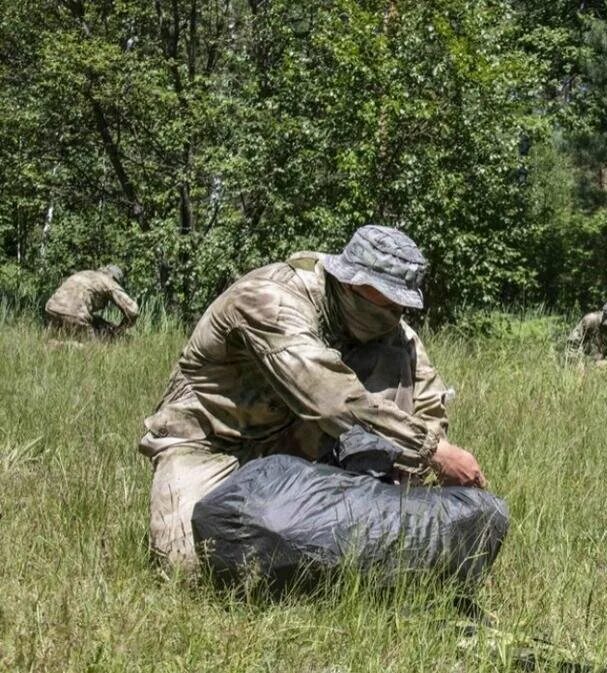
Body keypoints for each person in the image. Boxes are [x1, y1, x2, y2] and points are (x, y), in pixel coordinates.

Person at [139, 225, 488, 569]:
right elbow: (329, 396)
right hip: (211, 442)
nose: (393, 319)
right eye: (385, 306)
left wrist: (429, 470)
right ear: (350, 282)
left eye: (401, 308)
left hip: (297, 441)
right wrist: (430, 450)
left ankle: (384, 503)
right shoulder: (271, 299)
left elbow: (426, 400)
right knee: (191, 561)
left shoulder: (392, 332)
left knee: (346, 549)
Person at [44, 264, 139, 337]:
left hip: (51, 308)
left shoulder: (84, 273)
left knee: (61, 337)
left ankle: (54, 343)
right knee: (92, 350)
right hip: (74, 314)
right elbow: (133, 310)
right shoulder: (109, 282)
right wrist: (120, 330)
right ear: (115, 279)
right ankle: (58, 346)